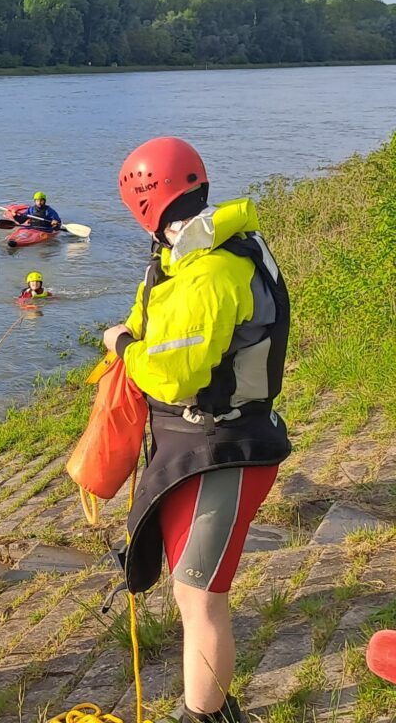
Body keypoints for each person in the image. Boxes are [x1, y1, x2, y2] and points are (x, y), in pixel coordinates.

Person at [103, 137, 291, 723]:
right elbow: (151, 318)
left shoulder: (210, 271)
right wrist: (131, 338)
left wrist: (124, 346)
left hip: (226, 447)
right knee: (193, 593)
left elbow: (173, 375)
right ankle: (216, 704)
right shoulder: (185, 259)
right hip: (195, 445)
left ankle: (203, 715)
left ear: (143, 205)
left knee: (201, 597)